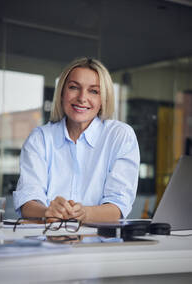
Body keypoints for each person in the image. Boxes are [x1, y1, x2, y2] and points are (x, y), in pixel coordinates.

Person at [13, 57, 140, 223]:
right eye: (74, 87)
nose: (82, 98)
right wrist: (48, 211)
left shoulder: (120, 136)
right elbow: (27, 201)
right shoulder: (40, 138)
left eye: (93, 91)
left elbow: (118, 206)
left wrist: (85, 213)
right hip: (47, 241)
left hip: (100, 244)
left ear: (103, 100)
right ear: (62, 93)